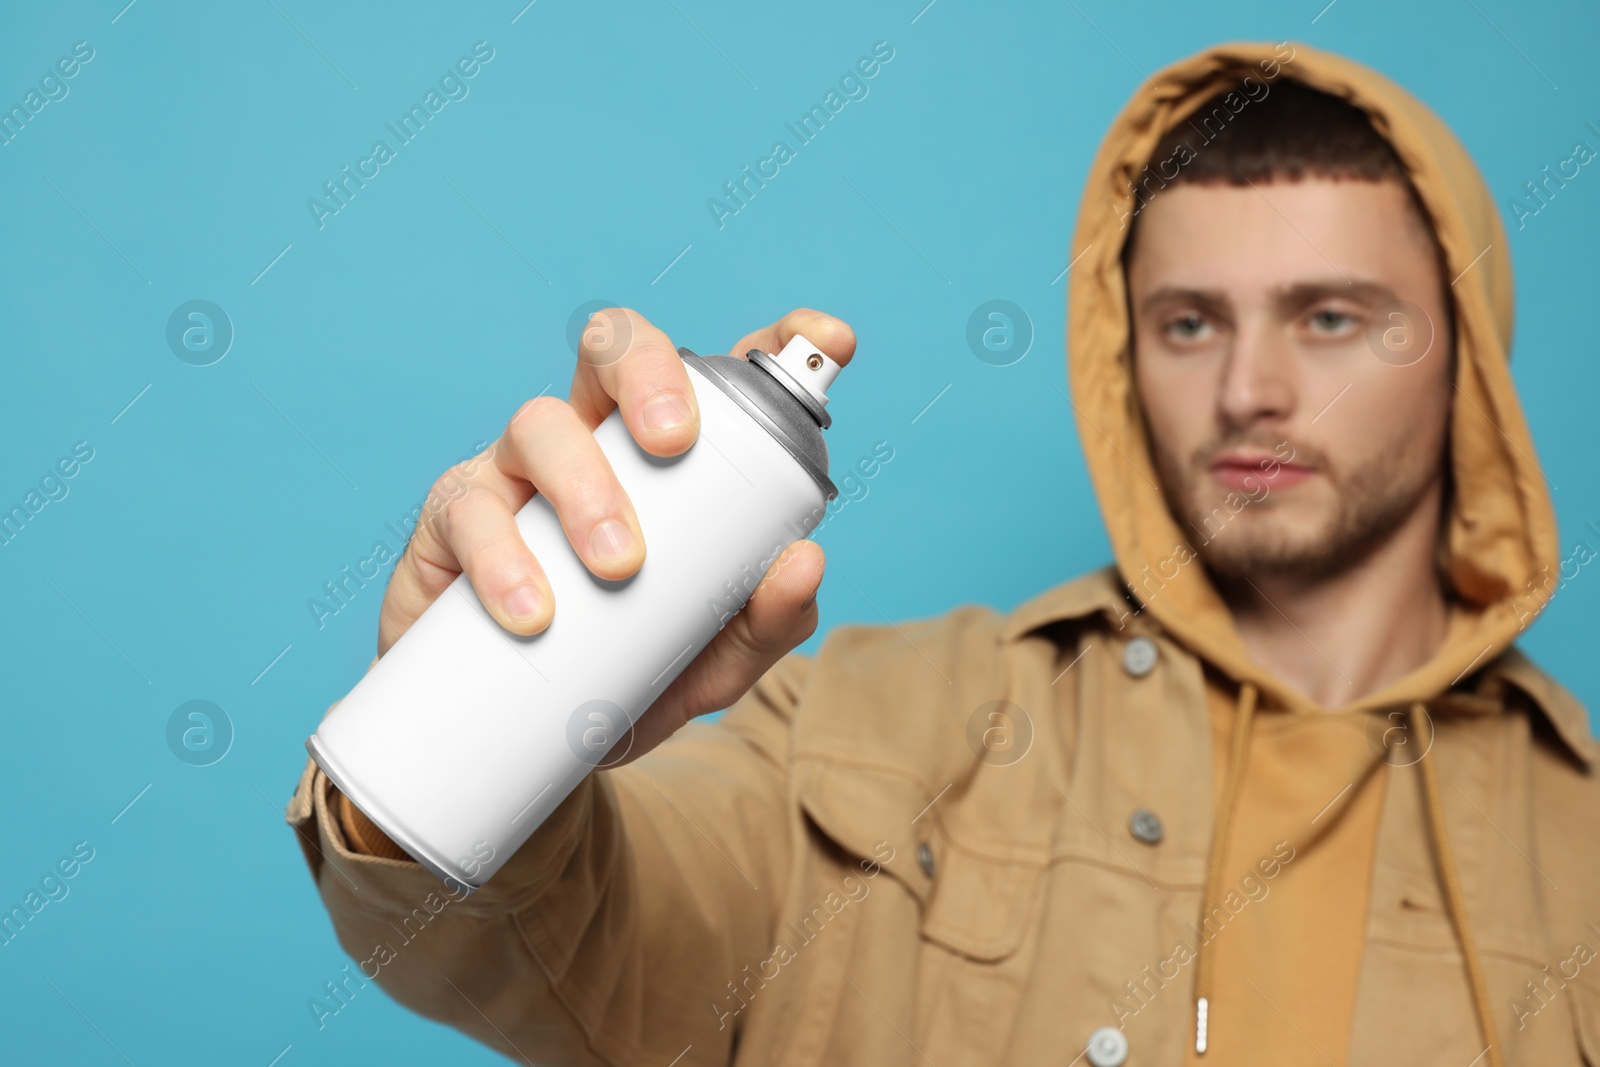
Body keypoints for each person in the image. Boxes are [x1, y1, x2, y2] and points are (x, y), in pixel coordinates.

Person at [284, 39, 1599, 1067]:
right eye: (1189, 322)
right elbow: (579, 948)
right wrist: (471, 713)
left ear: (1464, 364)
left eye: (1329, 317)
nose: (1252, 386)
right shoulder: (864, 726)